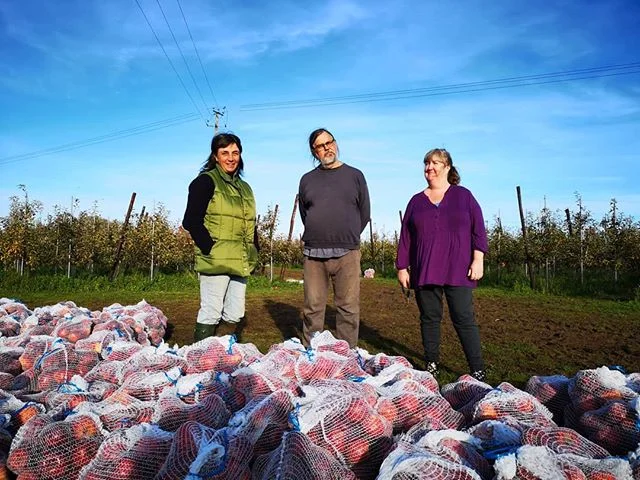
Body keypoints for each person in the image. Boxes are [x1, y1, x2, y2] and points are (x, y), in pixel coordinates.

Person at [396, 148, 488, 381]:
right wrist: (401, 267)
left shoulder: (463, 196)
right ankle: (431, 365)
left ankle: (477, 368)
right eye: (427, 163)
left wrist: (478, 259)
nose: (430, 167)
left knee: (464, 318)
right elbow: (406, 236)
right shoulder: (416, 201)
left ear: (447, 167)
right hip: (425, 268)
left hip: (458, 269)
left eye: (436, 163)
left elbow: (479, 229)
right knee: (429, 318)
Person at [182, 133, 259, 343]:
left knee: (235, 313)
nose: (231, 158)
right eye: (224, 153)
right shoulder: (205, 182)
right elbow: (191, 221)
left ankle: (220, 353)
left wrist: (254, 250)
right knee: (211, 311)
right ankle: (201, 358)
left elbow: (250, 222)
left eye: (235, 152)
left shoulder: (245, 188)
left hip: (240, 259)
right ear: (215, 156)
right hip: (216, 258)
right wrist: (210, 248)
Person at [298, 128, 371, 348]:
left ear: (336, 143)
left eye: (329, 142)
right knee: (313, 307)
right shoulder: (307, 180)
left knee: (348, 308)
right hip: (313, 253)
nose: (326, 148)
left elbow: (364, 212)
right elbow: (305, 213)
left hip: (347, 252)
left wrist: (346, 235)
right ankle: (311, 356)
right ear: (314, 152)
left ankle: (345, 358)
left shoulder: (355, 175)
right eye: (320, 146)